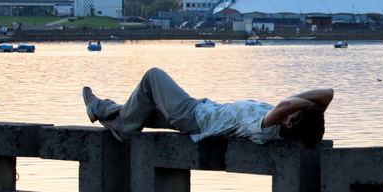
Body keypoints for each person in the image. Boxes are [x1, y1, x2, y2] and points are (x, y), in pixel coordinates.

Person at [82, 67, 333, 147]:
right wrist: (310, 109)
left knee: (152, 77)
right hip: (200, 117)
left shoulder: (267, 128)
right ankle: (102, 110)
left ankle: (122, 129)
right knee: (141, 107)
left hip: (193, 116)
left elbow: (288, 103)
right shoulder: (281, 125)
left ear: (289, 122)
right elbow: (328, 94)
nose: (292, 108)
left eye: (294, 114)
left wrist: (303, 105)